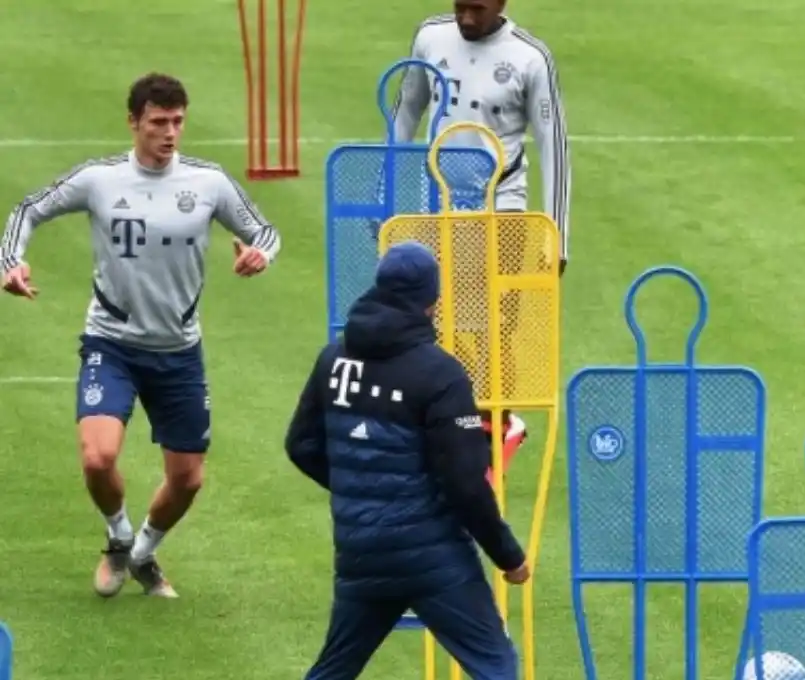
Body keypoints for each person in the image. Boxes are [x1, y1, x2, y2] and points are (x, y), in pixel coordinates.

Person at [0, 73, 281, 598]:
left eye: (177, 121)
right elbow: (28, 210)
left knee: (188, 480)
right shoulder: (100, 180)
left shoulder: (209, 183)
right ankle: (118, 537)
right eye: (158, 122)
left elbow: (264, 231)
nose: (170, 133)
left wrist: (259, 254)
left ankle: (144, 553)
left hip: (178, 351)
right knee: (97, 457)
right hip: (112, 344)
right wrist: (11, 263)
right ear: (134, 122)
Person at [287, 241, 528, 680]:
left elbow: (301, 446)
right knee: (497, 666)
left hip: (362, 553)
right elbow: (466, 485)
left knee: (333, 671)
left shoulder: (333, 360)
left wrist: (363, 489)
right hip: (432, 558)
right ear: (432, 302)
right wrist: (509, 557)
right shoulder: (440, 373)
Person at [391, 0, 572, 479]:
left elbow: (554, 146)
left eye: (477, 9)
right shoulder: (430, 36)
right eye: (460, 7)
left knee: (496, 325)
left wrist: (557, 235)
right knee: (437, 322)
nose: (466, 18)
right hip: (441, 203)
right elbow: (405, 112)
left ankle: (499, 426)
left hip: (503, 208)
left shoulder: (531, 57)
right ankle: (457, 426)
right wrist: (384, 191)